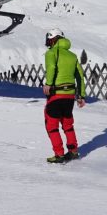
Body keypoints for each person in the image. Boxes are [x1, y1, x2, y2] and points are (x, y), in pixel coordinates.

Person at [42, 28, 86, 163]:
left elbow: (51, 68)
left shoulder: (51, 53)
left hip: (56, 94)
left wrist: (48, 83)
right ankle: (73, 151)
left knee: (51, 125)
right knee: (68, 124)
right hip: (69, 97)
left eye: (49, 40)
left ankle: (59, 154)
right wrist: (81, 96)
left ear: (54, 39)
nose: (48, 42)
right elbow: (79, 76)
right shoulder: (72, 56)